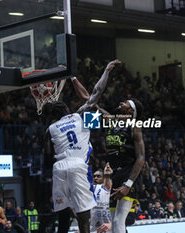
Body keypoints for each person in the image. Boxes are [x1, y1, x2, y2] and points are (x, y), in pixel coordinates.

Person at [43, 60, 121, 233]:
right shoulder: (80, 118)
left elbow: (47, 158)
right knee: (84, 218)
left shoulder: (50, 129)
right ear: (65, 110)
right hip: (77, 166)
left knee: (63, 219)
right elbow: (94, 94)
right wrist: (106, 71)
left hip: (58, 168)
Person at [97, 98, 145, 233]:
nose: (121, 103)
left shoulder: (134, 126)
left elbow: (141, 158)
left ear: (130, 111)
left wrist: (128, 184)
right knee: (112, 222)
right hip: (113, 175)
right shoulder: (112, 122)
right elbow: (91, 101)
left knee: (118, 221)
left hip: (128, 174)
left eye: (125, 103)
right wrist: (73, 79)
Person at [90, 163, 113, 233]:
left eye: (98, 176)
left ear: (104, 178)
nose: (95, 178)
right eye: (94, 176)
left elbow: (108, 184)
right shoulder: (92, 188)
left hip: (111, 227)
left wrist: (107, 174)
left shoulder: (110, 187)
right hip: (94, 229)